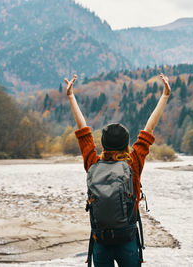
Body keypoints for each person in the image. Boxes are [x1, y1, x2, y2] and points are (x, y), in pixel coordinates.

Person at [65, 73, 171, 267]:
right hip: (127, 239)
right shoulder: (133, 163)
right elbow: (149, 128)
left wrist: (71, 96)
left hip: (101, 240)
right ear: (127, 144)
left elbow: (83, 131)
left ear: (103, 144)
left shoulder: (93, 163)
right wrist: (164, 96)